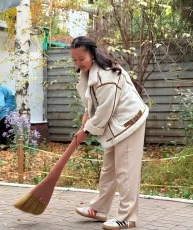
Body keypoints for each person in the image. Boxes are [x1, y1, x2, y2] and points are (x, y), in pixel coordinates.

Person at [71, 36, 149, 229]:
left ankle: (127, 217)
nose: (78, 63)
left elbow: (106, 109)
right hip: (116, 124)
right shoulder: (90, 73)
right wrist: (86, 116)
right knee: (109, 169)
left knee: (126, 170)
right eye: (74, 59)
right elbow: (94, 101)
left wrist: (86, 131)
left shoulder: (106, 77)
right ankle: (99, 209)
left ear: (92, 54)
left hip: (129, 122)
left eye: (81, 59)